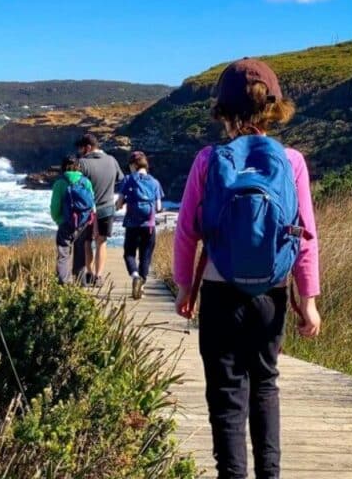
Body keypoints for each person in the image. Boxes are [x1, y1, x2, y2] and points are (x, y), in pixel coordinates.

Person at [172, 58, 321, 479]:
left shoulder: (209, 158)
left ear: (224, 111)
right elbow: (305, 235)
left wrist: (185, 287)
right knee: (265, 384)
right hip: (271, 293)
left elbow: (187, 230)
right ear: (273, 107)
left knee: (226, 393)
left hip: (220, 293)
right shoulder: (291, 160)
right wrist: (309, 300)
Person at [75, 134, 124, 286]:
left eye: (81, 149)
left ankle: (89, 273)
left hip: (87, 210)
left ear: (88, 147)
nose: (80, 152)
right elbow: (121, 179)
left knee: (87, 241)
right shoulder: (112, 160)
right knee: (101, 242)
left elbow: (76, 186)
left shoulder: (82, 163)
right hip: (107, 208)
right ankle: (99, 276)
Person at [115, 151, 164, 300]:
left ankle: (135, 275)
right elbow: (159, 207)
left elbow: (119, 203)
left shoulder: (128, 179)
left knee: (129, 254)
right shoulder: (155, 182)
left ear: (133, 165)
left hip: (132, 225)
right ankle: (141, 287)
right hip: (149, 226)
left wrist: (120, 204)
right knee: (145, 256)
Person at [50, 155, 96, 284]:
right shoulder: (86, 182)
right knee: (80, 252)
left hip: (65, 222)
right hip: (83, 223)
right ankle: (81, 283)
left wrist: (58, 220)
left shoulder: (60, 183)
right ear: (78, 167)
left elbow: (55, 206)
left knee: (63, 253)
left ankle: (64, 282)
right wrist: (88, 220)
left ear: (63, 167)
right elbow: (92, 203)